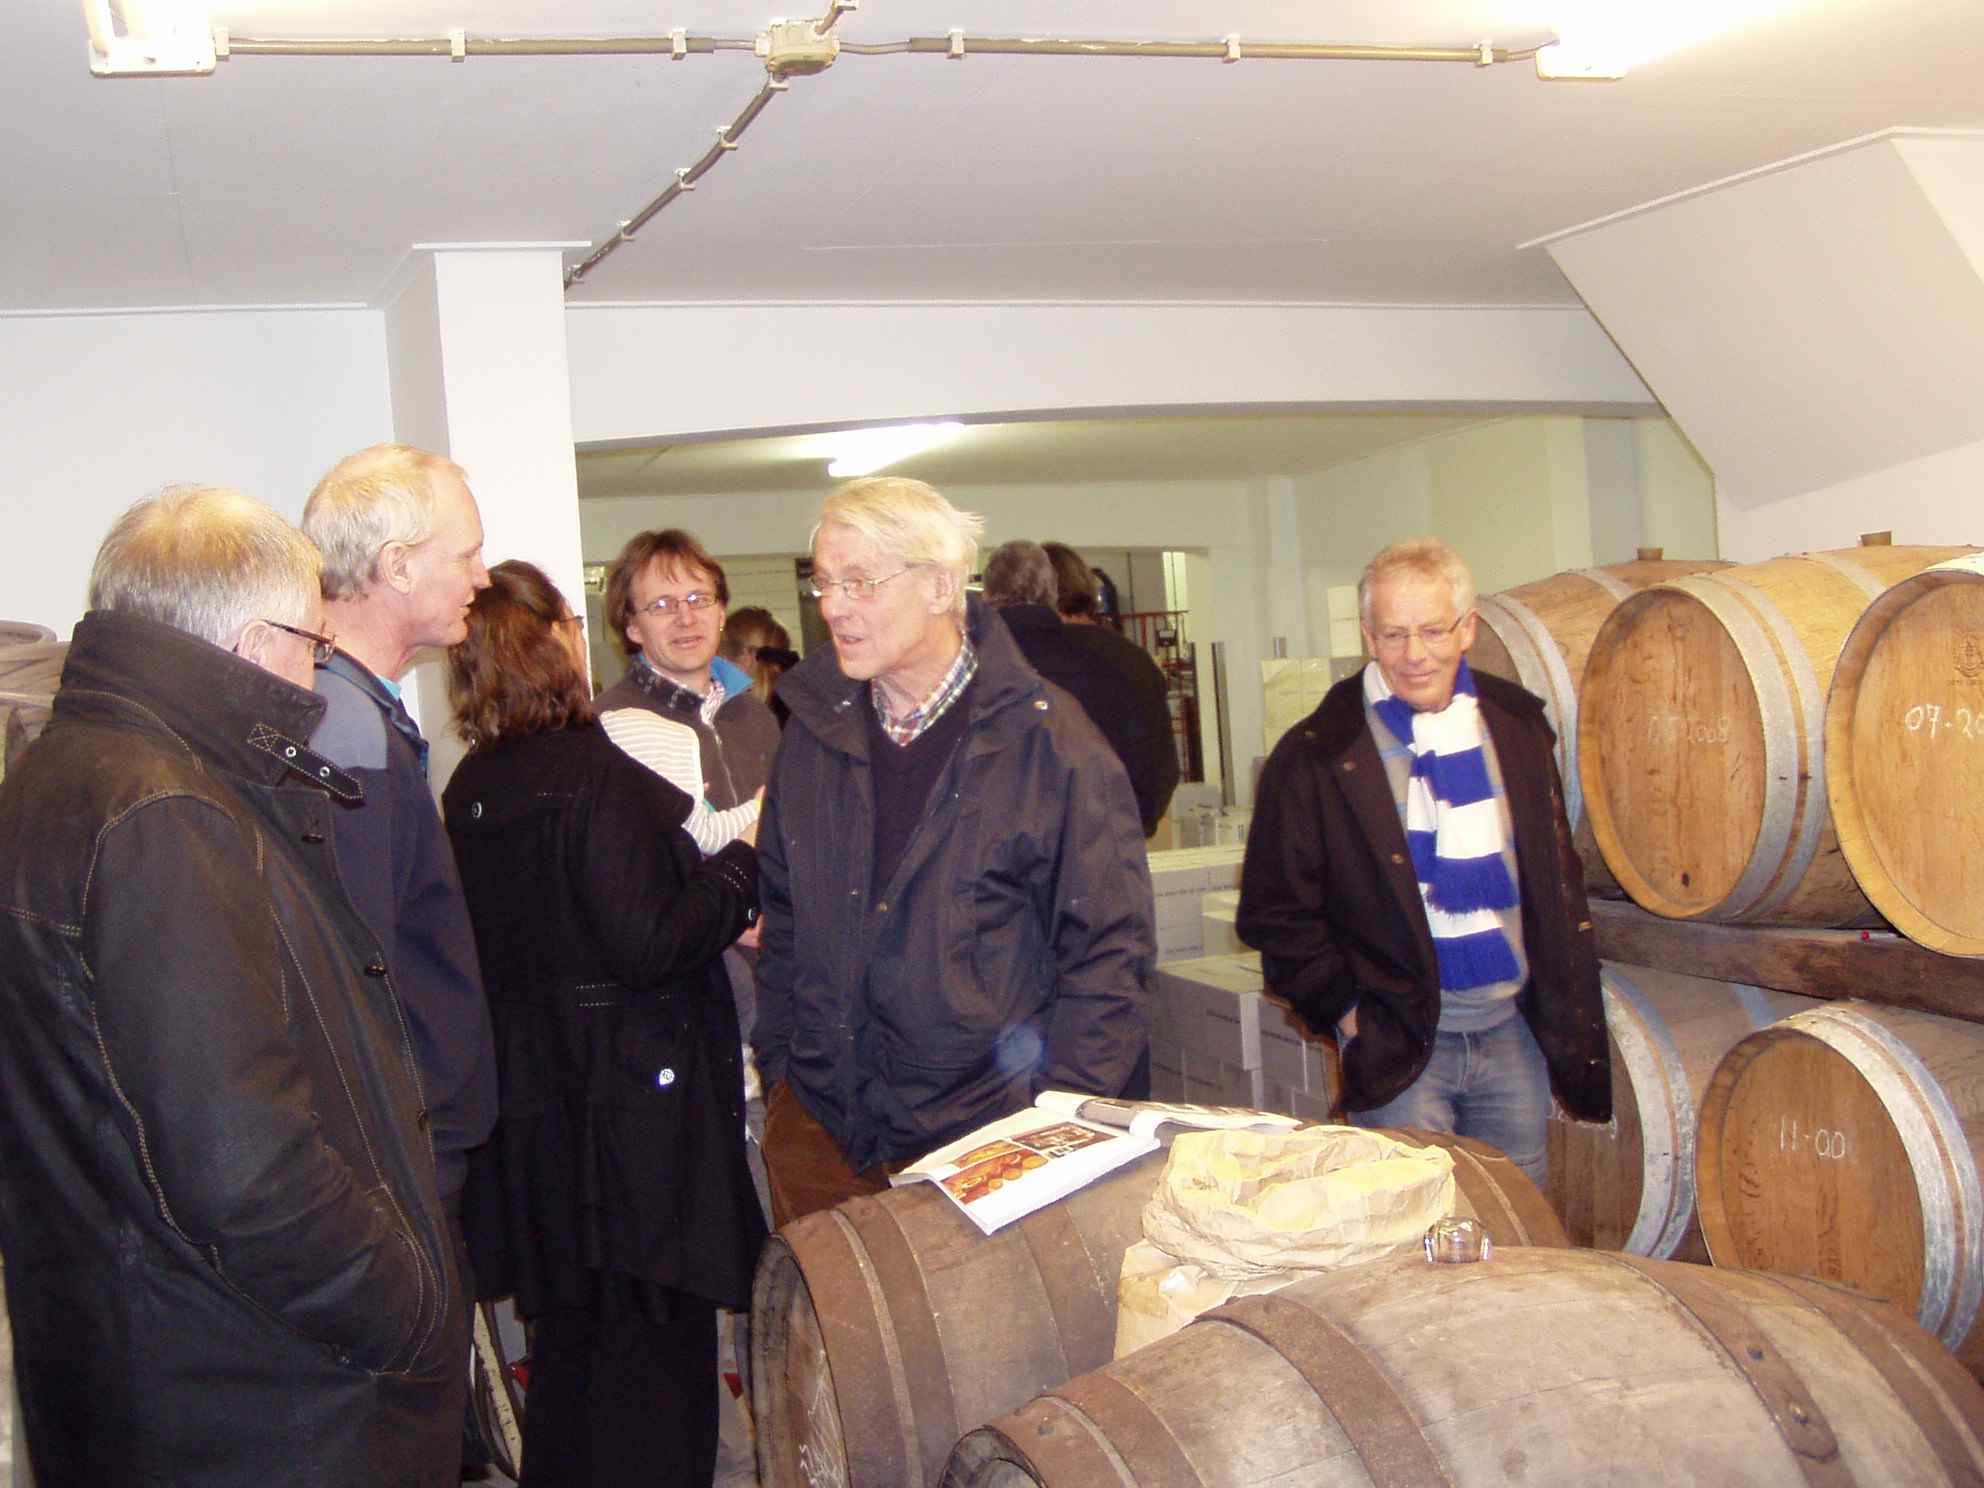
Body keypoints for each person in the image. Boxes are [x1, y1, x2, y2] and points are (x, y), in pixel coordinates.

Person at [0, 487, 462, 1486]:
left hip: (146, 1367)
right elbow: (246, 1174)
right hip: (258, 1400)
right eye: (313, 644)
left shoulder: (59, 776)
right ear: (254, 645)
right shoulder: (166, 811)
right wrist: (410, 1309)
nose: (317, 669)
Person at [754, 477, 1155, 1227]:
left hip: (988, 1141)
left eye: (859, 582)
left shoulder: (1050, 744)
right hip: (822, 1131)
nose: (833, 606)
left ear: (940, 586)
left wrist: (1052, 1130)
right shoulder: (811, 735)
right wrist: (782, 1072)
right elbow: (786, 918)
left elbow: (1108, 957)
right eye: (824, 583)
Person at [441, 561, 763, 1488]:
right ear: (560, 638)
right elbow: (648, 944)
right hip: (633, 1126)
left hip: (540, 1120)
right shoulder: (590, 774)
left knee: (572, 1373)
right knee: (655, 1381)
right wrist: (741, 867)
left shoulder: (473, 784)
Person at [1236, 536, 1611, 1183]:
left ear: (1467, 628)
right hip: (1401, 1043)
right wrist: (1348, 1011)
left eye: (1433, 631)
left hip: (1512, 1034)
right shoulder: (1317, 754)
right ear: (1367, 636)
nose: (1414, 655)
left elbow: (1555, 874)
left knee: (1515, 1220)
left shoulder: (1517, 728)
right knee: (1411, 1223)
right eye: (1393, 634)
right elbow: (1275, 913)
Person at [300, 442, 498, 1237]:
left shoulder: (351, 710)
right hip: (396, 1151)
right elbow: (359, 966)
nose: (483, 576)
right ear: (398, 566)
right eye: (467, 554)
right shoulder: (343, 729)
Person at [983, 539, 1169, 839]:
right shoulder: (1131, 658)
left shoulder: (1002, 658)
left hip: (1024, 848)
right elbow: (1159, 766)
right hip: (1119, 838)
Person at [1042, 541, 1180, 834]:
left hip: (1054, 837)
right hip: (1123, 831)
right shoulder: (1134, 657)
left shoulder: (1028, 659)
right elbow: (1161, 763)